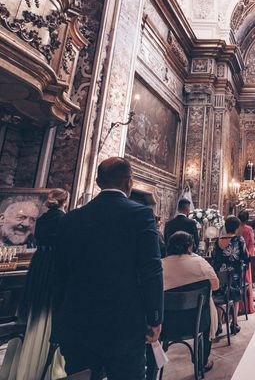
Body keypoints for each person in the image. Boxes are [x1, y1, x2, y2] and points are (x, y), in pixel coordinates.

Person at [54, 157, 163, 380]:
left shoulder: (70, 219)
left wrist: (60, 319)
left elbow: (59, 274)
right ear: (129, 182)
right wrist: (155, 318)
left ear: (97, 182)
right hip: (123, 324)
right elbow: (151, 269)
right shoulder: (141, 215)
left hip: (77, 323)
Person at [0, 189, 69, 380]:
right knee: (47, 313)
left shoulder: (42, 220)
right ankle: (43, 361)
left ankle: (22, 359)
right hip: (53, 267)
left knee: (31, 312)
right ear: (66, 201)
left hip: (38, 265)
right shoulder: (64, 219)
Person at [162, 232, 219, 372]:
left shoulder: (161, 265)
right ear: (189, 247)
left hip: (167, 323)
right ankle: (202, 362)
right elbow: (215, 284)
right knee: (208, 306)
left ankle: (153, 368)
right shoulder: (198, 262)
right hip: (198, 322)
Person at [211, 216, 249, 334]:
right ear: (237, 228)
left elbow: (214, 258)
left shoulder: (217, 240)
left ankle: (218, 325)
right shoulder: (239, 240)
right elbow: (245, 257)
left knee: (218, 295)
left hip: (219, 276)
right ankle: (234, 323)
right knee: (235, 296)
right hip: (234, 277)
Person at [237, 210, 255, 315]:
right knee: (246, 281)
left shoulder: (235, 229)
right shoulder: (248, 229)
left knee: (238, 281)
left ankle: (238, 306)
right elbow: (251, 244)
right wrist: (250, 257)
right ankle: (247, 307)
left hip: (236, 257)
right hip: (245, 257)